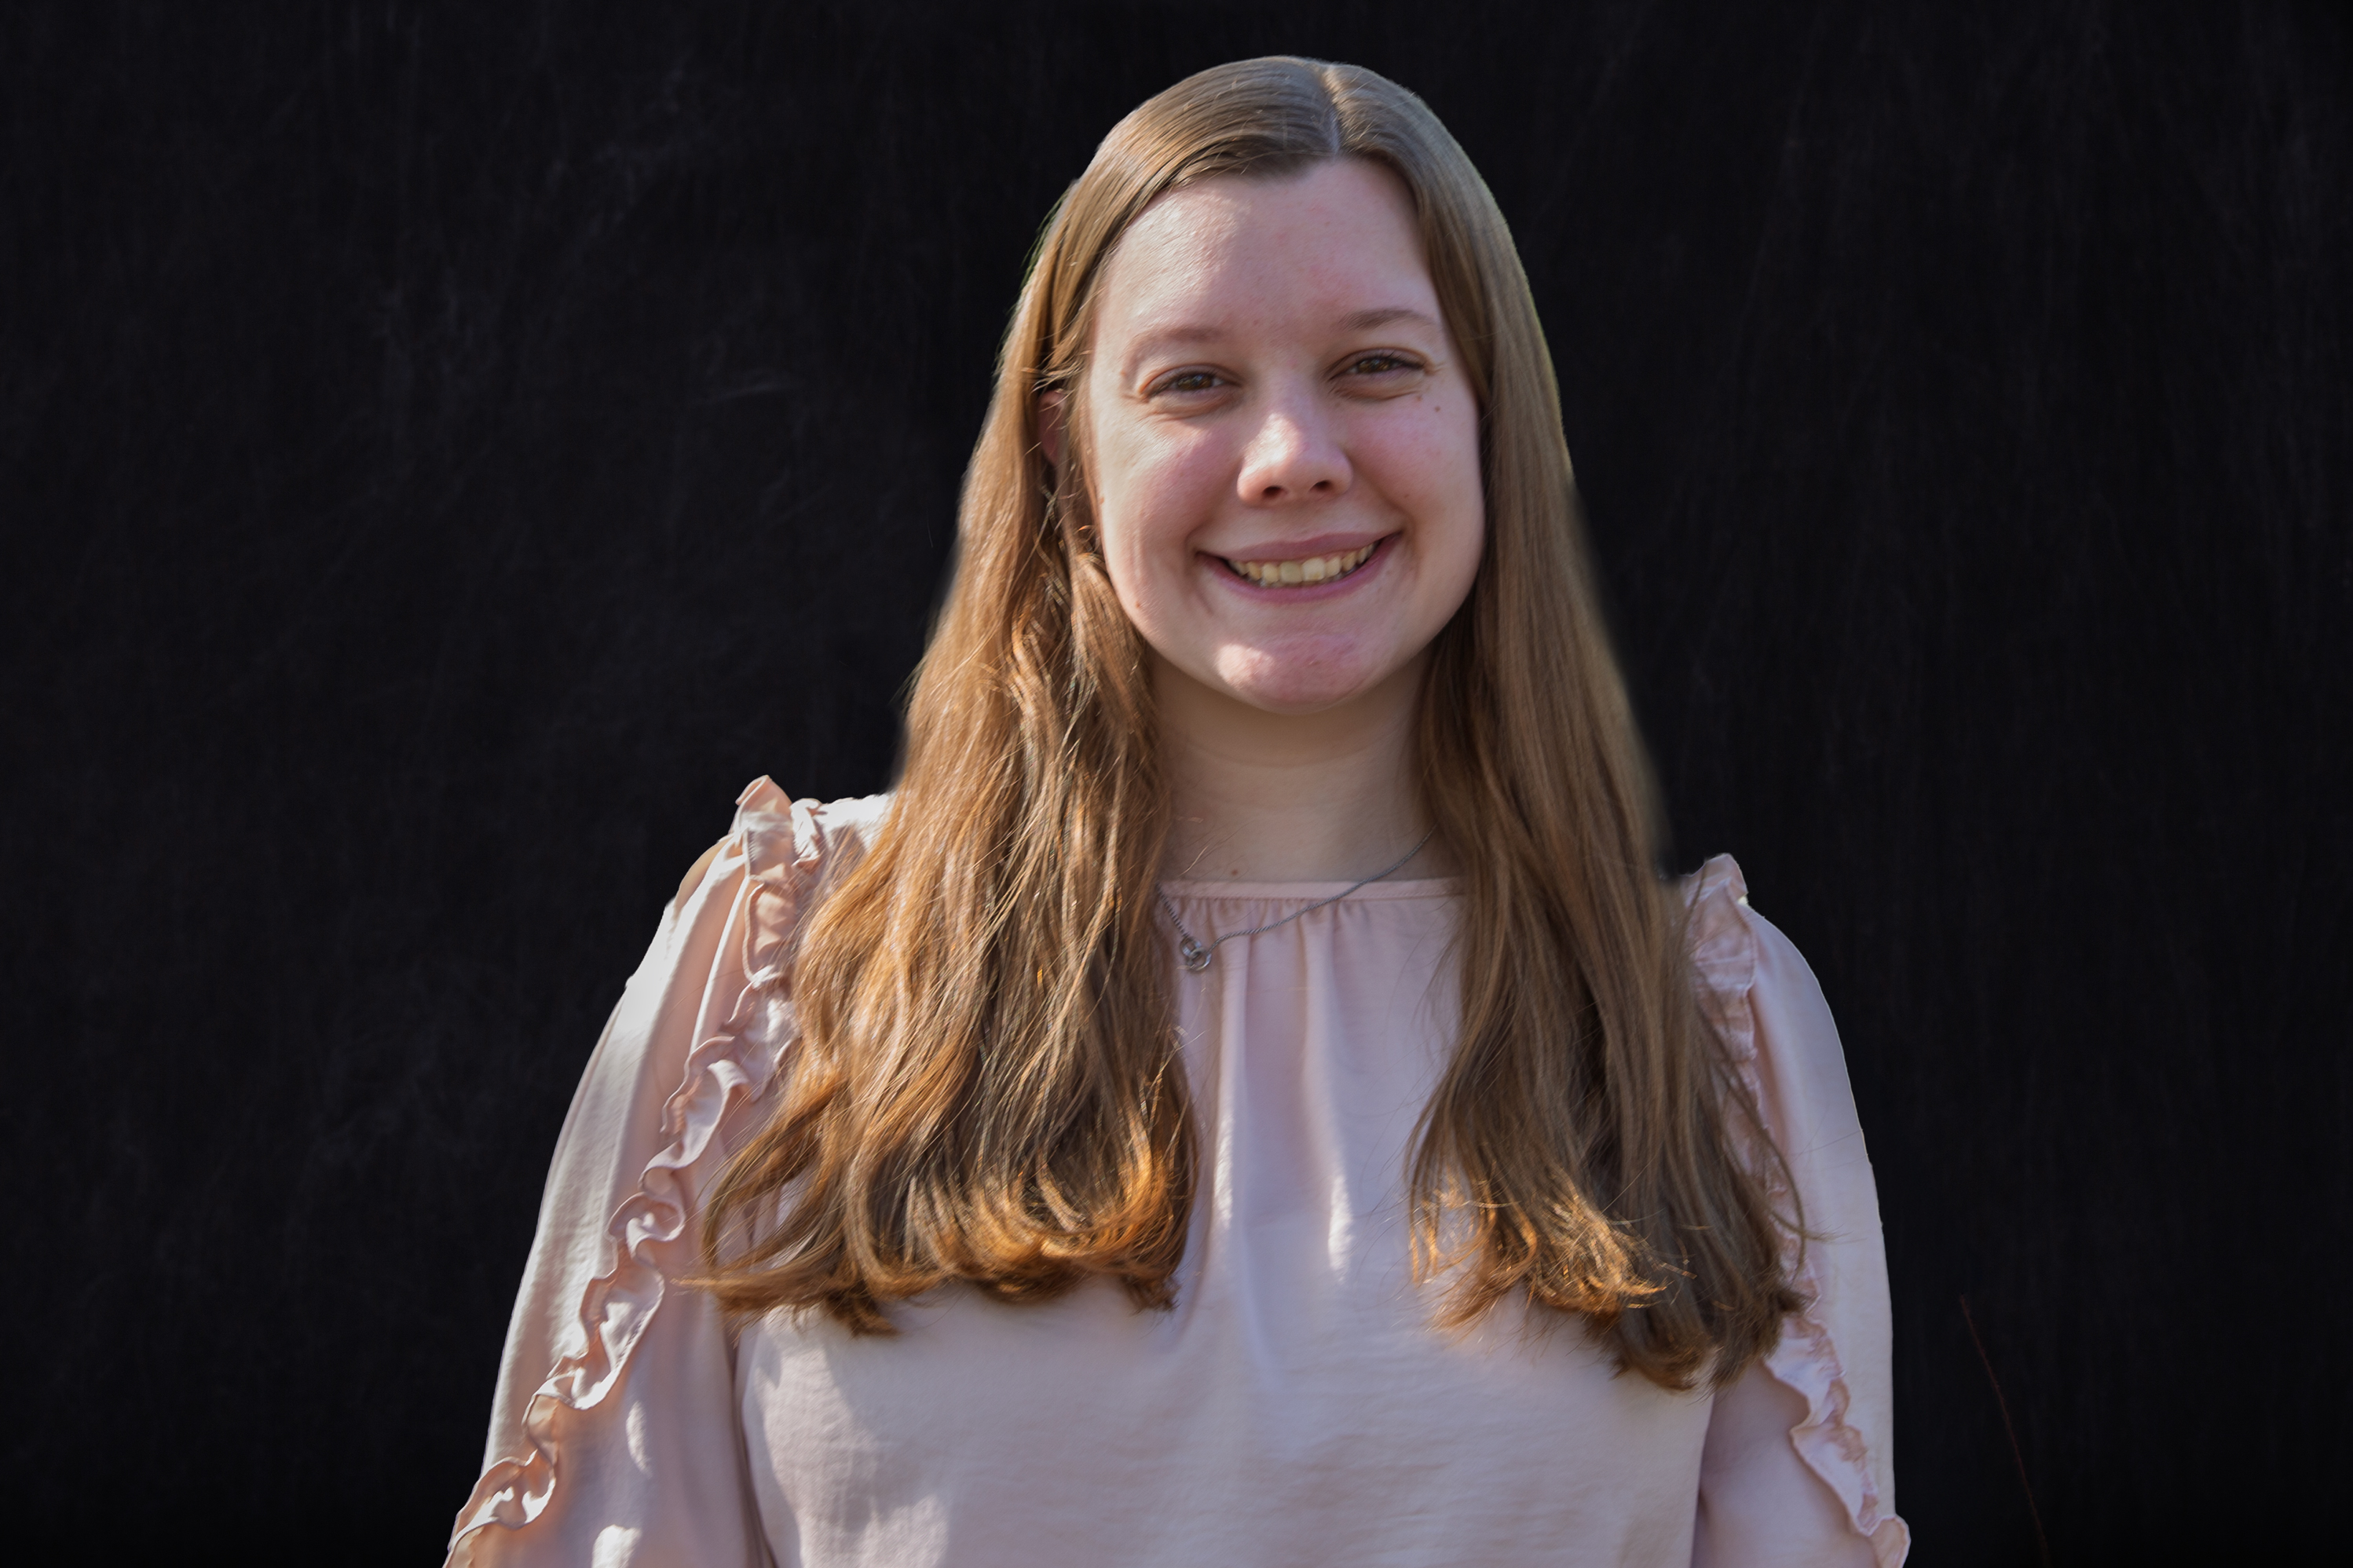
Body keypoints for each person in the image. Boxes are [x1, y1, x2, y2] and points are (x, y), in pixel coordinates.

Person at [448, 56, 1907, 1568]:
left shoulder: (1705, 1026)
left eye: (1377, 365)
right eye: (1195, 381)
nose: (1293, 459)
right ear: (1066, 455)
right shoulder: (783, 966)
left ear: (1494, 422)